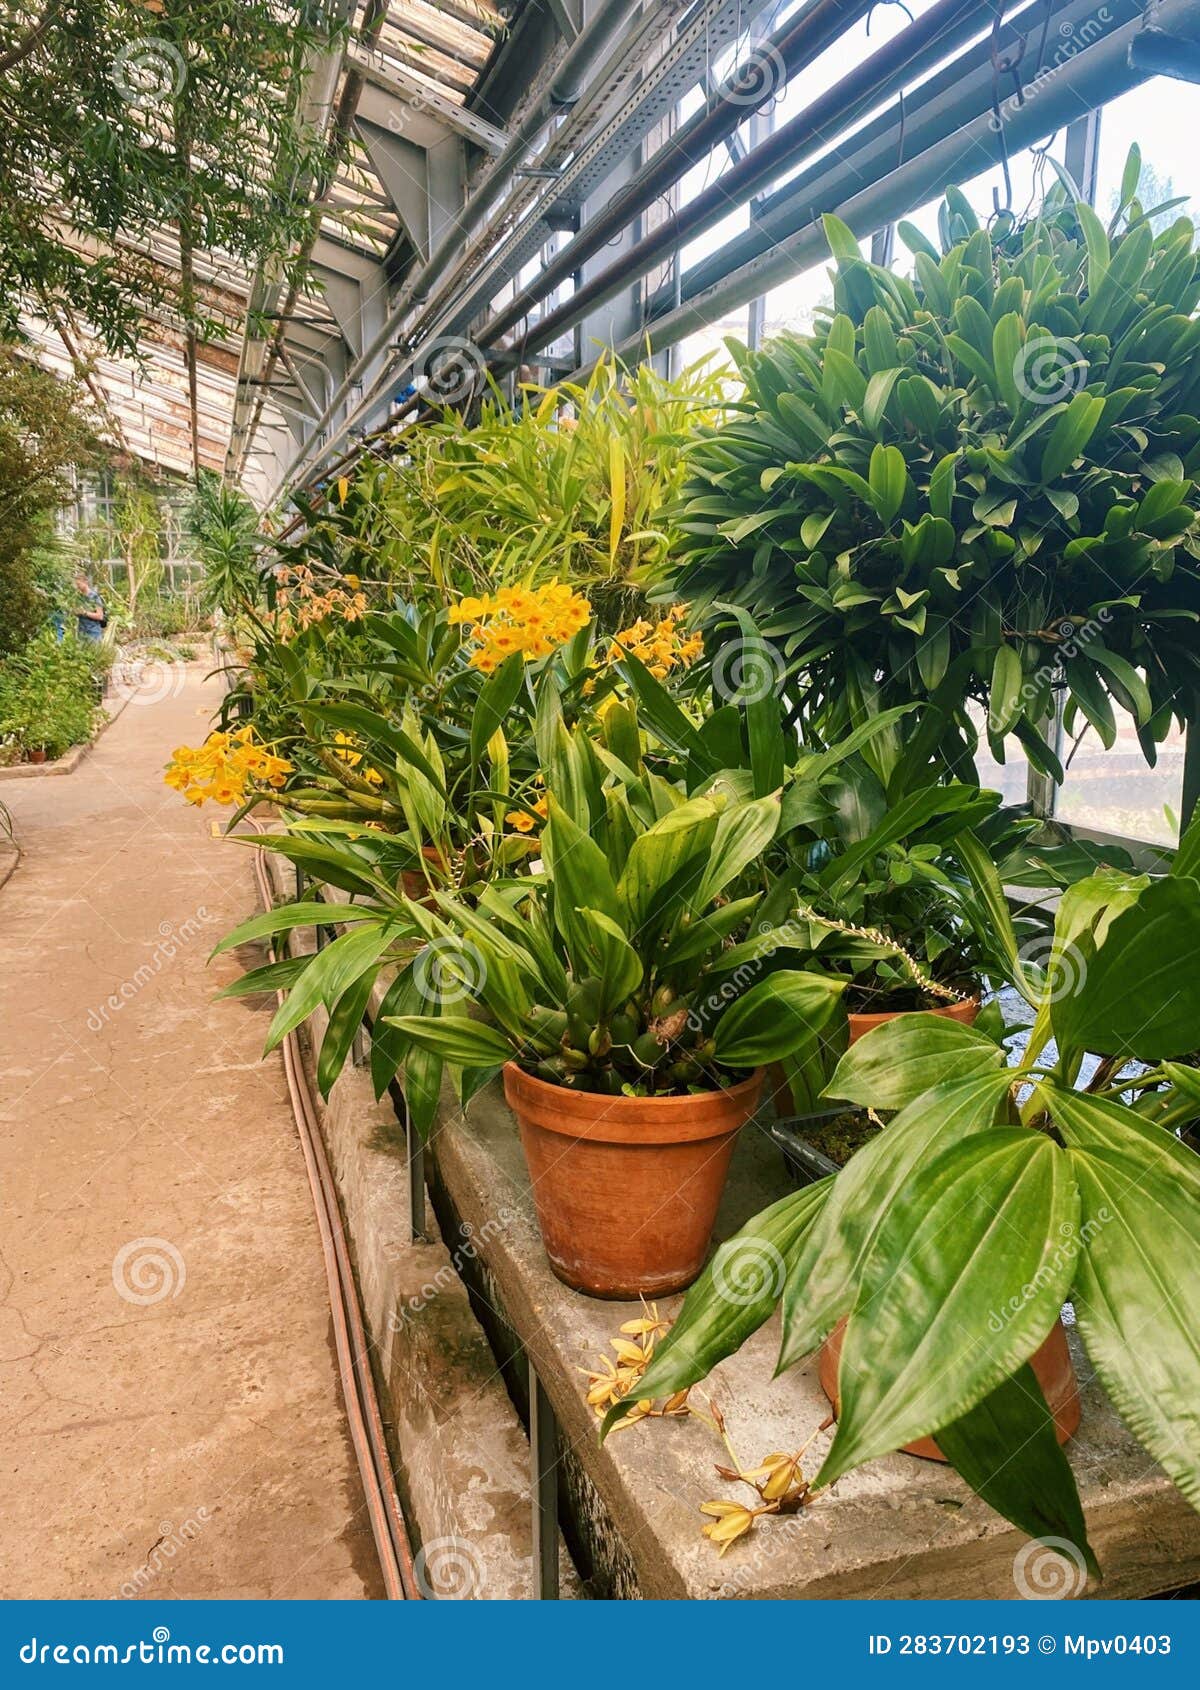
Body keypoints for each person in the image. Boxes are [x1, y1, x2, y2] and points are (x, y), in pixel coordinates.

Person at [74, 573, 106, 643]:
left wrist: (85, 613)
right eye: (76, 585)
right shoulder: (79, 597)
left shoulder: (95, 596)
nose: (77, 586)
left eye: (78, 584)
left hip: (93, 633)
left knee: (95, 653)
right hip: (82, 632)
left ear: (85, 582)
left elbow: (100, 616)